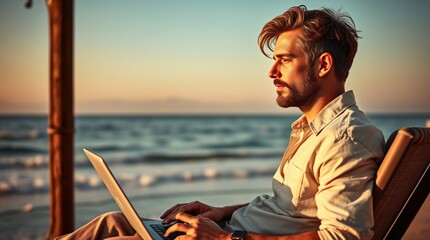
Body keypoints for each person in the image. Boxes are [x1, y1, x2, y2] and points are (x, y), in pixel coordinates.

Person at [56, 5, 385, 240]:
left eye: (284, 60)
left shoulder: (346, 139)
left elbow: (343, 236)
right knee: (112, 221)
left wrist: (226, 238)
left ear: (323, 65)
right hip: (229, 228)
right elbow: (291, 208)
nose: (272, 73)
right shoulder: (315, 130)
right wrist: (223, 212)